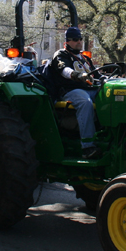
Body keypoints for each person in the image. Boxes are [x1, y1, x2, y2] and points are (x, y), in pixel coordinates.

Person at [50, 27, 102, 159]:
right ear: (67, 41)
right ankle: (87, 146)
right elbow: (64, 70)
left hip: (90, 90)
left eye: (80, 39)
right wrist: (76, 75)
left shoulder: (85, 58)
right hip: (70, 90)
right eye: (75, 39)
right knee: (85, 102)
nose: (79, 42)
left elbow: (97, 76)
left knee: (110, 96)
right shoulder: (61, 55)